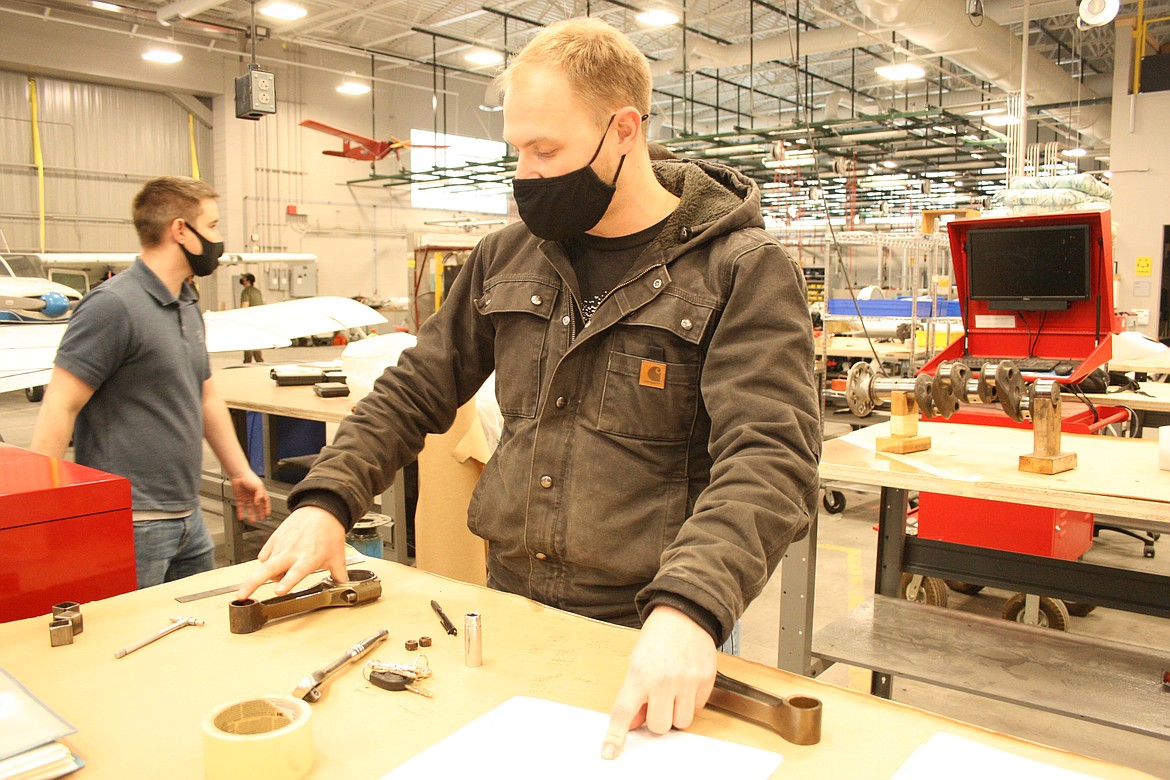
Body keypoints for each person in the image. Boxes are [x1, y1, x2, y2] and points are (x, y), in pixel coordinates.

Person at [236, 17, 819, 759]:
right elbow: (416, 386)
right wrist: (328, 500)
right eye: (519, 151)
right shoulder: (508, 257)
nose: (529, 176)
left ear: (623, 131)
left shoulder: (738, 270)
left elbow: (769, 459)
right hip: (506, 608)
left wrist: (693, 609)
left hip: (650, 628)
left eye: (547, 150)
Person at [31, 176, 270, 589]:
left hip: (186, 514)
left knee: (199, 638)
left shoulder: (186, 301)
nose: (218, 238)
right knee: (129, 644)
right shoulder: (113, 306)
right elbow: (61, 404)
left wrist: (239, 470)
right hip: (132, 520)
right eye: (211, 226)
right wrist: (40, 514)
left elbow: (204, 394)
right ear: (180, 230)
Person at [239, 272, 264, 363]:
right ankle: (259, 361)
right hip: (258, 320)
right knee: (257, 342)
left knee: (248, 343)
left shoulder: (246, 292)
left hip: (249, 320)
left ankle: (247, 362)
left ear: (247, 281)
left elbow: (245, 307)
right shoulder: (257, 291)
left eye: (244, 279)